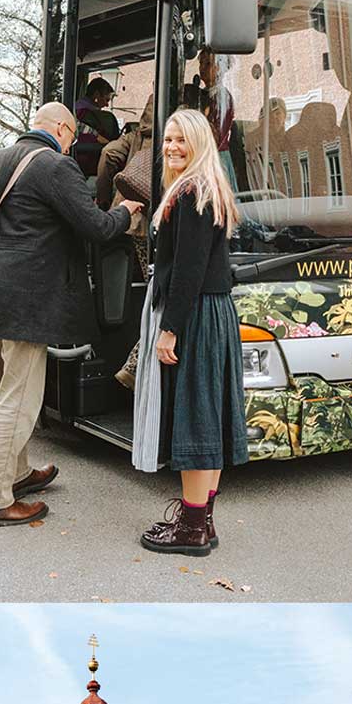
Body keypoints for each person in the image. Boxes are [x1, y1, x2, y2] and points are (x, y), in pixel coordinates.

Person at [0, 100, 141, 529]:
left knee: (9, 394)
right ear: (61, 129)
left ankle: (17, 474)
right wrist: (125, 213)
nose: (72, 143)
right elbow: (96, 226)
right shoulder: (55, 167)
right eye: (72, 136)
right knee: (18, 404)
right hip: (27, 305)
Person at [133, 105, 248, 555]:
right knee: (209, 416)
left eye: (181, 139)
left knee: (196, 418)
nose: (172, 147)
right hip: (213, 311)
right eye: (167, 139)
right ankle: (203, 521)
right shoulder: (210, 189)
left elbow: (187, 271)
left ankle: (192, 528)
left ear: (199, 143)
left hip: (197, 314)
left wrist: (169, 329)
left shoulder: (191, 194)